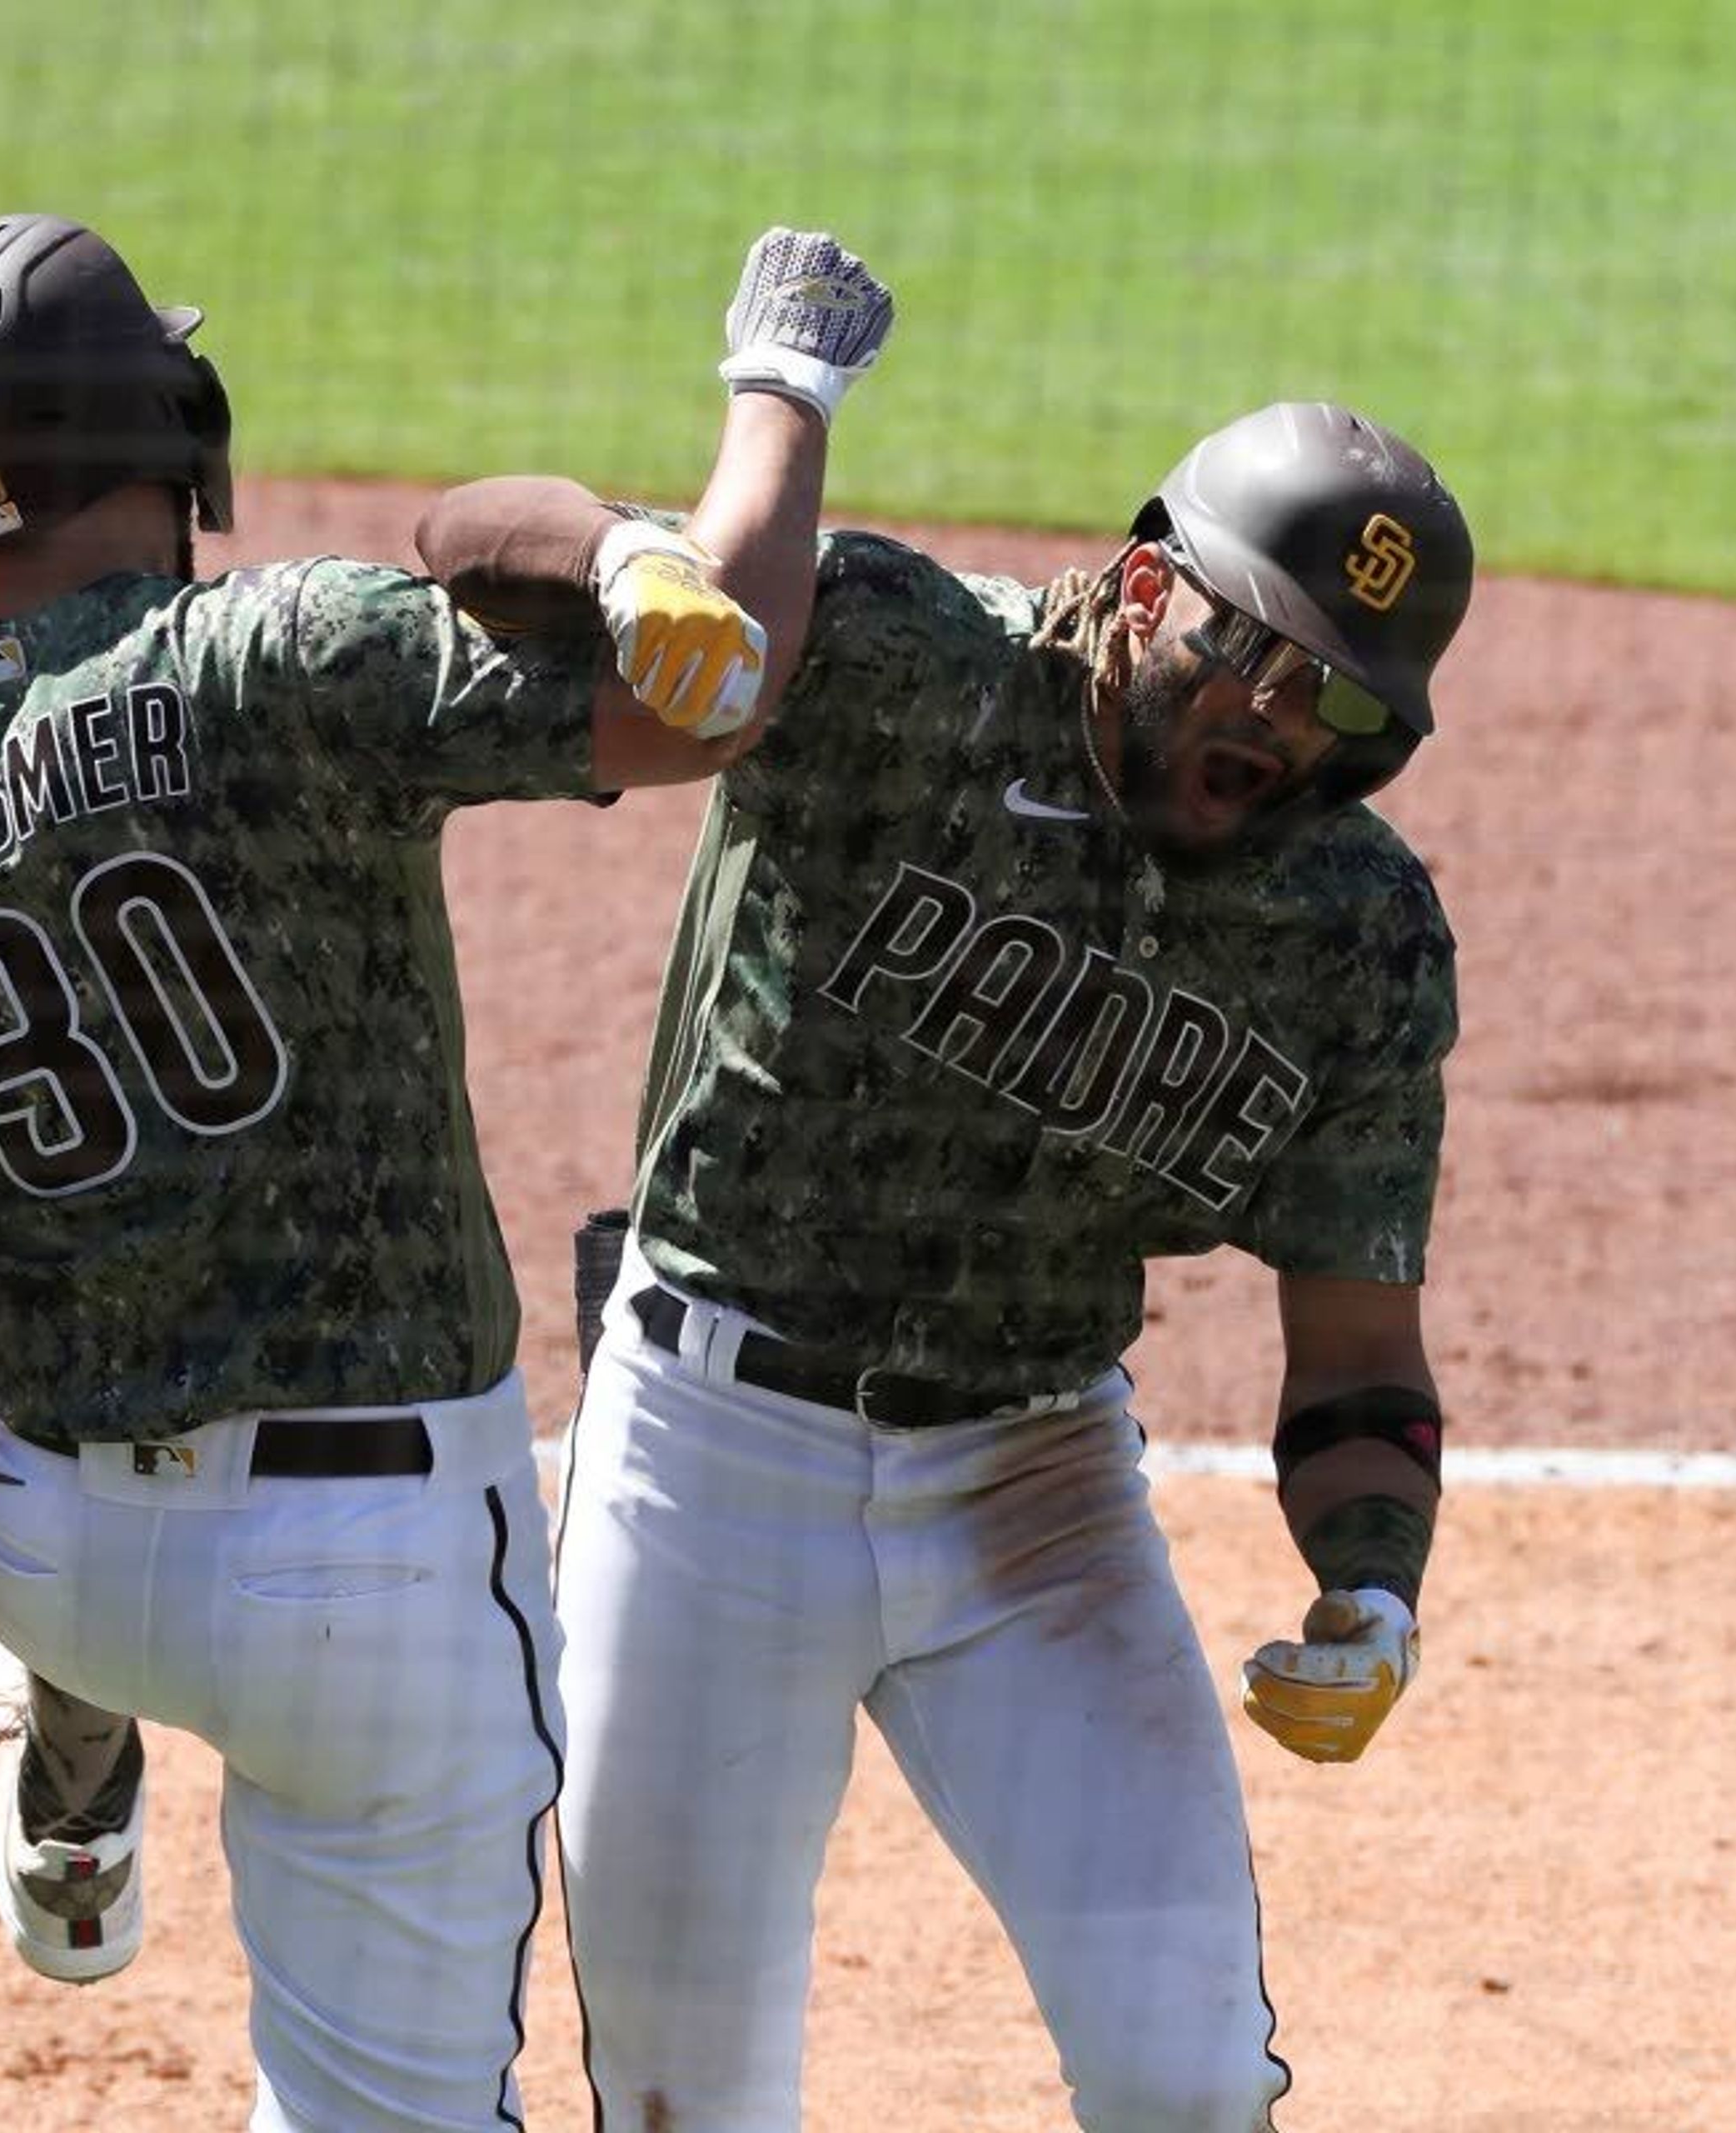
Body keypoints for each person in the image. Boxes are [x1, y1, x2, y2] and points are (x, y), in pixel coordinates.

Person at [0, 212, 894, 2131]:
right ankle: (63, 1712)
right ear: (162, 425)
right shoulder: (285, 655)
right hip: (369, 1585)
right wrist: (783, 390)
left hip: (40, 1528)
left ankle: (57, 1720)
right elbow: (713, 691)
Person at [417, 398, 1475, 2130]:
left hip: (1035, 1492)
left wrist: (1374, 1581)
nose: (1282, 725)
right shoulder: (902, 666)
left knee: (1192, 2080)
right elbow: (465, 535)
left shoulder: (1350, 932)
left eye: (1344, 702)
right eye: (1259, 656)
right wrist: (634, 551)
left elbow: (1360, 1346)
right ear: (1149, 583)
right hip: (709, 1464)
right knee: (689, 2096)